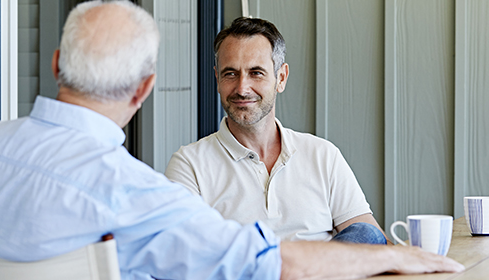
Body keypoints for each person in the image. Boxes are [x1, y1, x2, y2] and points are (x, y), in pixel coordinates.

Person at [0, 1, 463, 279]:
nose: (243, 88)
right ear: (146, 88)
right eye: (229, 74)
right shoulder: (130, 190)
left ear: (58, 64)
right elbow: (266, 265)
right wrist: (398, 256)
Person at [165, 17, 389, 245]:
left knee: (367, 235)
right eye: (230, 74)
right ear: (217, 79)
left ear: (281, 78)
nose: (242, 89)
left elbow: (374, 242)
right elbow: (184, 256)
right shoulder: (189, 165)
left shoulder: (322, 155)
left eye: (256, 73)